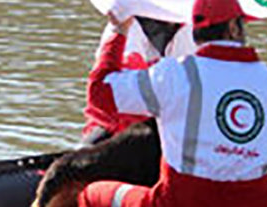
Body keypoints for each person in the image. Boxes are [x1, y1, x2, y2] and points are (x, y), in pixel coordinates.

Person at [76, 0, 267, 207]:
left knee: (91, 200)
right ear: (235, 28)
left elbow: (100, 94)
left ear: (195, 32)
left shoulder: (175, 74)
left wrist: (118, 32)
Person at [82, 16, 195, 144]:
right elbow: (108, 95)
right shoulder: (125, 23)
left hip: (171, 128)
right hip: (116, 128)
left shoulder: (195, 28)